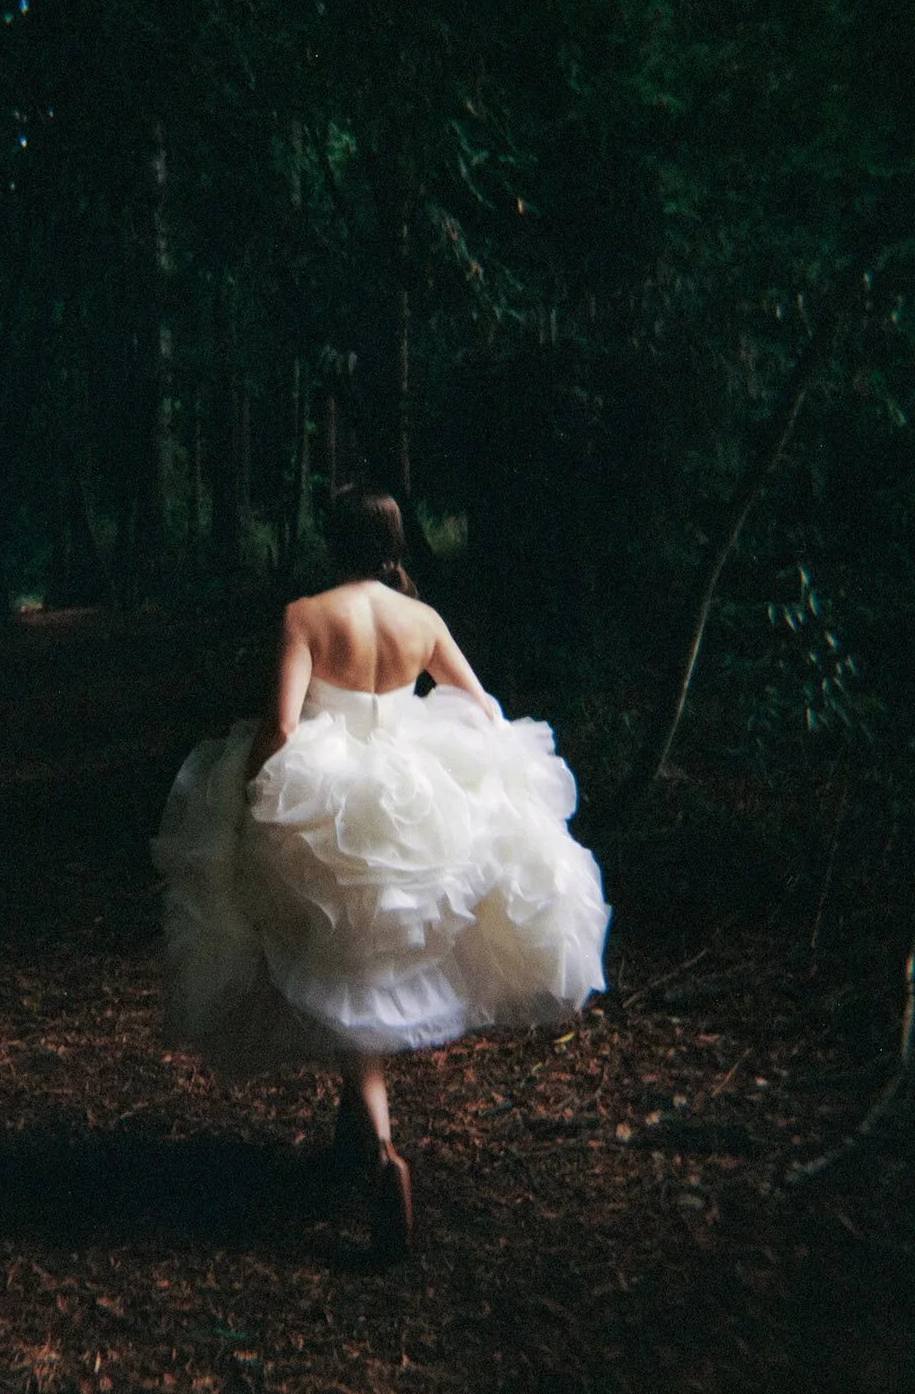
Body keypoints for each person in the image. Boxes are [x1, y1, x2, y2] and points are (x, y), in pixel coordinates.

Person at [151, 488, 610, 1260]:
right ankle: (355, 1137)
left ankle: (384, 1153)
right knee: (368, 970)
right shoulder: (421, 620)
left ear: (332, 542)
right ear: (394, 542)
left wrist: (250, 792)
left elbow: (283, 725)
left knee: (343, 970)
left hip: (328, 800)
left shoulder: (306, 614)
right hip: (412, 799)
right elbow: (480, 707)